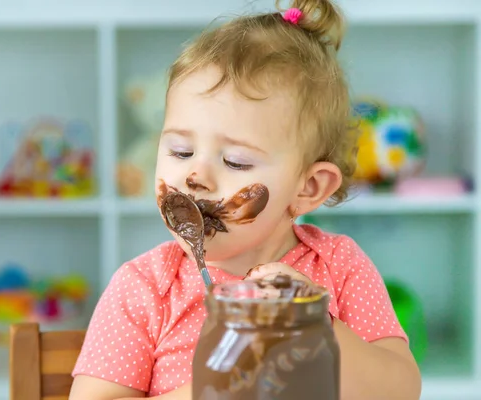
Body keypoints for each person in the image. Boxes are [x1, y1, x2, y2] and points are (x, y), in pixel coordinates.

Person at [69, 0, 422, 398]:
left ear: (308, 188)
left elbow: (400, 390)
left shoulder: (338, 268)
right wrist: (219, 387)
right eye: (180, 152)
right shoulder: (145, 288)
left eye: (235, 161)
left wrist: (315, 323)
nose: (195, 175)